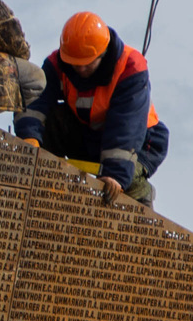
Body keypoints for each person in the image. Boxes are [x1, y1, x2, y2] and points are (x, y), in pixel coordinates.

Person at [15, 11, 169, 206]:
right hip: (89, 134)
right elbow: (35, 99)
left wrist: (116, 174)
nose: (79, 70)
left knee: (122, 185)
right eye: (74, 64)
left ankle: (141, 194)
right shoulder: (58, 64)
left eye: (87, 65)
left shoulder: (130, 68)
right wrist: (29, 138)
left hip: (140, 142)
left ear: (102, 54)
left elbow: (126, 125)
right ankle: (44, 191)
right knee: (49, 120)